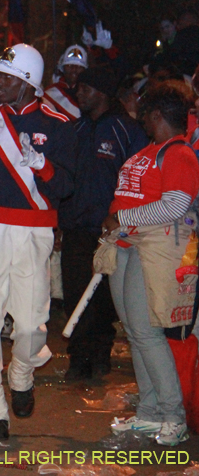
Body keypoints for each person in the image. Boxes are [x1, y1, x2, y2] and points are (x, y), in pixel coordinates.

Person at [0, 44, 75, 439]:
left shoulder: (59, 124)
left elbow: (67, 186)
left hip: (35, 231)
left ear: (28, 83)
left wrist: (42, 166)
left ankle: (22, 373)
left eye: (7, 77)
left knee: (30, 325)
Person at [103, 86, 199, 446]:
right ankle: (149, 412)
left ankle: (173, 416)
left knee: (147, 333)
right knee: (135, 332)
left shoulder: (179, 153)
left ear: (157, 115)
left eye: (145, 114)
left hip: (153, 249)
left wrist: (122, 218)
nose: (141, 120)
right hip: (128, 245)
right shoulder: (152, 151)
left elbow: (174, 206)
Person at [58, 67, 148, 381]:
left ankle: (100, 354)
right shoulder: (76, 129)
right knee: (75, 294)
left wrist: (124, 221)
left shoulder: (127, 130)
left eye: (85, 88)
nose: (78, 93)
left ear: (102, 92)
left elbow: (138, 181)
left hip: (111, 232)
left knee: (106, 299)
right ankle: (78, 358)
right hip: (76, 228)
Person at [43, 45, 88, 121]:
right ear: (62, 68)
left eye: (79, 66)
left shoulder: (89, 92)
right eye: (69, 65)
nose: (74, 69)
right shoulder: (49, 94)